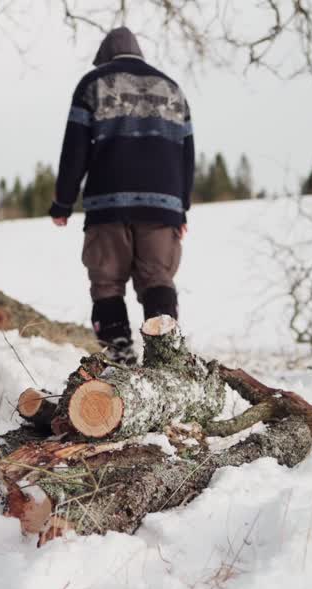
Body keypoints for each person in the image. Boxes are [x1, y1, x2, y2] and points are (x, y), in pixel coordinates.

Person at [50, 27, 194, 365]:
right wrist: (181, 209)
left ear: (105, 57)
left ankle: (119, 358)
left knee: (107, 282)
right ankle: (166, 363)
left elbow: (74, 150)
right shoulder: (172, 89)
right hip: (162, 208)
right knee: (158, 279)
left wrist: (63, 201)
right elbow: (186, 156)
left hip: (107, 205)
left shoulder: (93, 84)